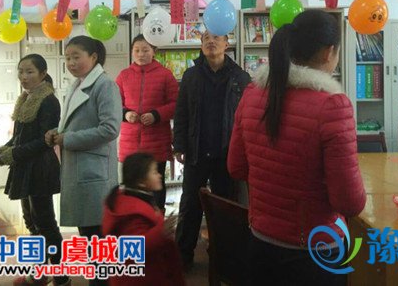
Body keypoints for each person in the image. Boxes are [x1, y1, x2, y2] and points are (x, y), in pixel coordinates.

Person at [227, 10, 366, 286]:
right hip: (314, 253)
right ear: (329, 52)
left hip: (260, 244)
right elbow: (349, 203)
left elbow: (236, 167)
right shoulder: (332, 106)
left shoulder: (253, 94)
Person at [45, 36, 122, 286]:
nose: (70, 62)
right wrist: (56, 133)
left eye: (76, 57)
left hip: (93, 171)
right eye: (67, 58)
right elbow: (73, 124)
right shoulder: (78, 84)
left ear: (93, 57)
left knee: (97, 238)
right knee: (89, 236)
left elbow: (110, 129)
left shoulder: (105, 85)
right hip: (80, 169)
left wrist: (67, 139)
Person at [173, 30, 251, 269]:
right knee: (190, 205)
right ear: (201, 44)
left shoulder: (241, 77)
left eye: (216, 38)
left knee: (226, 207)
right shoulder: (191, 76)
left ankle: (225, 258)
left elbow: (247, 117)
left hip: (228, 153)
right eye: (206, 38)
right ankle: (183, 256)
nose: (211, 41)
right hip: (197, 150)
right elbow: (181, 112)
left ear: (227, 44)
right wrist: (179, 145)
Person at [0, 54, 68, 286]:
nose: (23, 77)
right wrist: (5, 148)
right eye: (20, 71)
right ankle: (39, 273)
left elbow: (46, 141)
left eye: (29, 72)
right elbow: (20, 136)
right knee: (31, 222)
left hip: (40, 168)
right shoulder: (26, 98)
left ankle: (61, 276)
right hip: (25, 166)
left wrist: (14, 153)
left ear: (43, 74)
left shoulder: (48, 101)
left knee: (45, 223)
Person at [102, 152, 185, 286]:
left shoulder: (137, 200)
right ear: (141, 182)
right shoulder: (131, 212)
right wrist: (161, 232)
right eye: (154, 172)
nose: (159, 175)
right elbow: (131, 249)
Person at [115, 35, 178, 211]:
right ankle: (132, 220)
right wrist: (126, 114)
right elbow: (113, 103)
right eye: (137, 50)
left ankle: (156, 219)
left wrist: (156, 115)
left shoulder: (165, 75)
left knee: (155, 187)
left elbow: (176, 104)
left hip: (156, 143)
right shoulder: (124, 76)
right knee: (130, 187)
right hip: (130, 143)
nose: (141, 54)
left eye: (145, 50)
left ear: (154, 51)